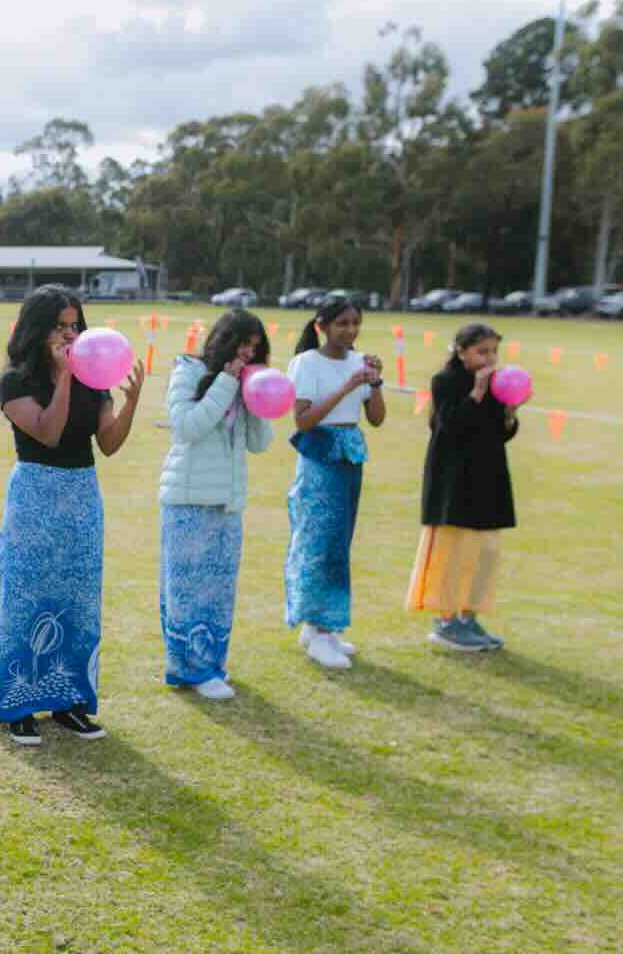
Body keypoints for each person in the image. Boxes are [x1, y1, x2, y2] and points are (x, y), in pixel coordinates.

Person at [0, 285, 146, 744]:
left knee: (79, 600)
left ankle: (71, 702)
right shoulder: (15, 381)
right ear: (37, 329)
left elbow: (109, 444)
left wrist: (131, 402)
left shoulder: (96, 379)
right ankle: (18, 705)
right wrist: (63, 377)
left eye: (75, 325)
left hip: (82, 498)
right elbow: (48, 433)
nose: (70, 334)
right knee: (26, 597)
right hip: (35, 496)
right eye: (59, 326)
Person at [159, 309, 275, 700]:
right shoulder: (189, 371)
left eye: (255, 348)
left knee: (220, 591)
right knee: (188, 591)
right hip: (189, 501)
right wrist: (226, 382)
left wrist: (257, 401)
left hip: (228, 504)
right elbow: (186, 427)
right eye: (243, 345)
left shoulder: (245, 383)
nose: (247, 354)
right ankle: (189, 669)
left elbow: (259, 444)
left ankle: (211, 665)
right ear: (224, 341)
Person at [284, 295, 386, 669]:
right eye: (342, 323)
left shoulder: (360, 362)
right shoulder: (306, 363)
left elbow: (376, 418)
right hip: (320, 454)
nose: (350, 330)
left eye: (355, 323)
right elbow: (303, 420)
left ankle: (321, 628)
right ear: (322, 326)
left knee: (339, 541)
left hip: (350, 452)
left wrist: (375, 383)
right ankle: (318, 629)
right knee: (318, 541)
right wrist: (346, 386)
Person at [407, 323, 518, 651]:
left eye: (493, 351)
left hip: (488, 476)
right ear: (461, 351)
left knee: (485, 551)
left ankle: (469, 617)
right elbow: (451, 426)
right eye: (482, 351)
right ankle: (446, 621)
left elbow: (499, 433)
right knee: (453, 551)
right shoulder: (445, 382)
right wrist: (477, 392)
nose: (490, 358)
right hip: (452, 481)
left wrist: (510, 413)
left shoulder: (497, 384)